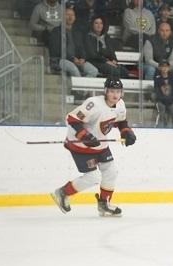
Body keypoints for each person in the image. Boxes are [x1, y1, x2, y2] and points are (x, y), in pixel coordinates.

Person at [51, 77, 137, 217]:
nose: (115, 95)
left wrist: (127, 132)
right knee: (93, 177)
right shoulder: (93, 104)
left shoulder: (120, 104)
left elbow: (121, 122)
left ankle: (104, 204)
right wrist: (85, 136)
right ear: (105, 92)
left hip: (101, 145)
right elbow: (72, 119)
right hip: (81, 146)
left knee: (111, 172)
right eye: (111, 91)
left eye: (118, 91)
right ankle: (63, 193)